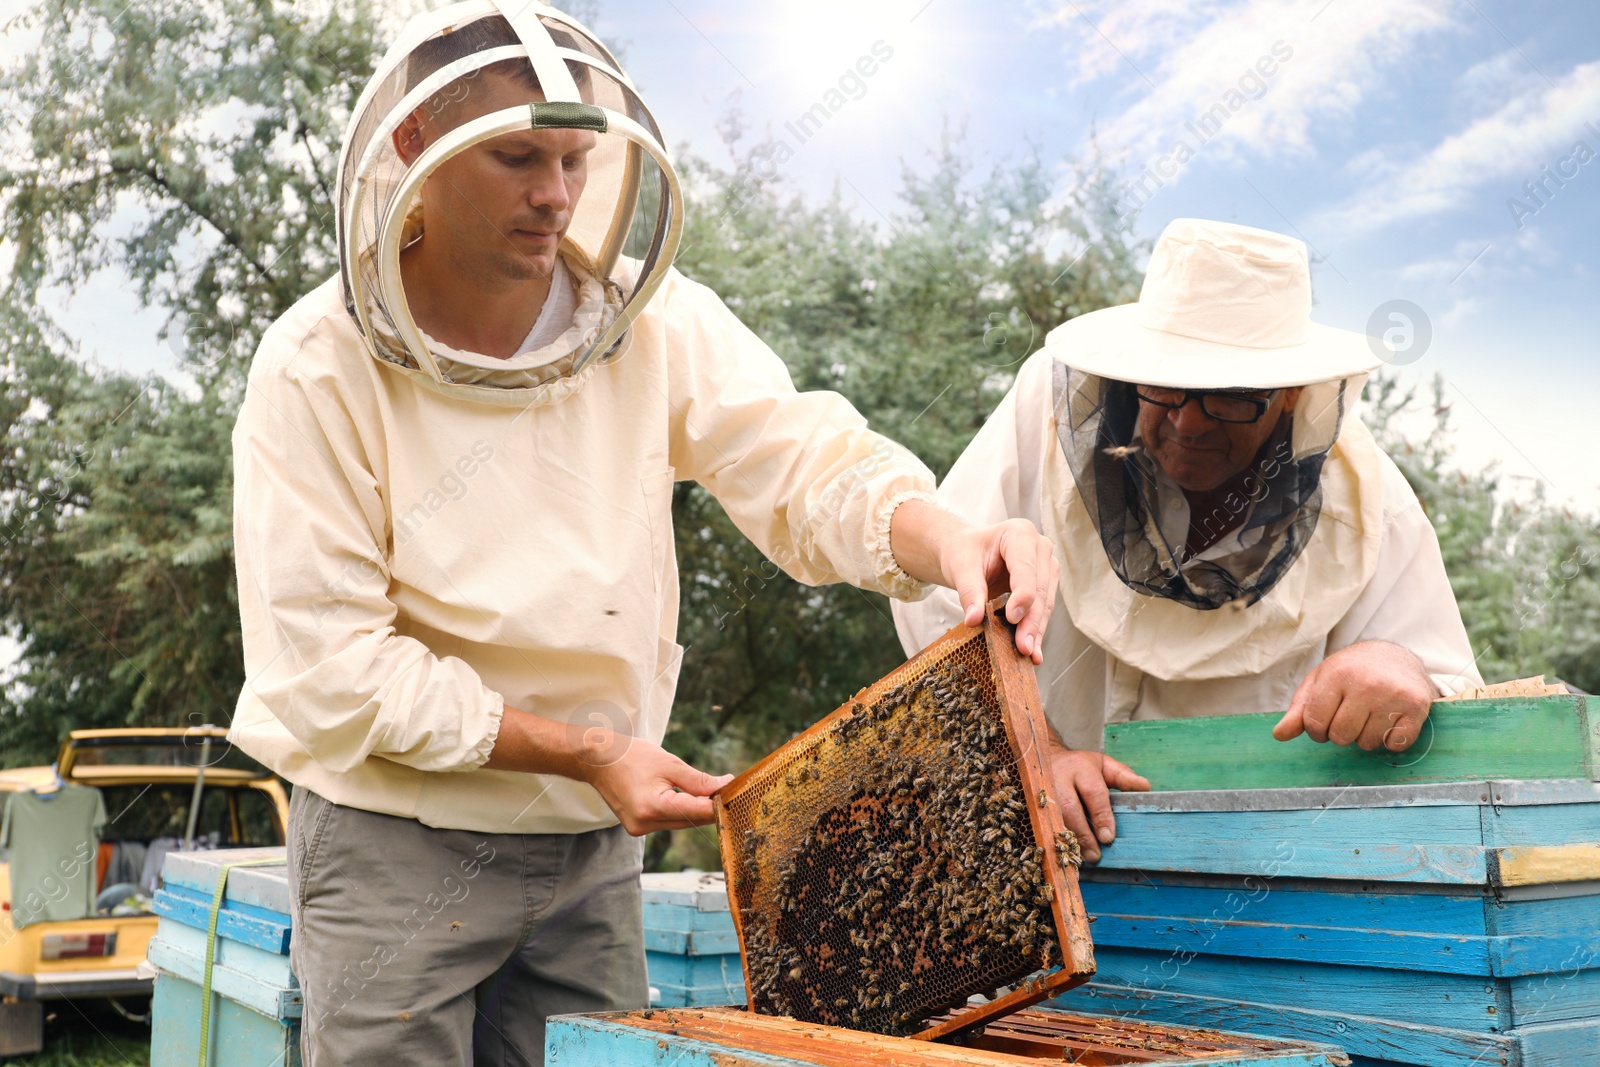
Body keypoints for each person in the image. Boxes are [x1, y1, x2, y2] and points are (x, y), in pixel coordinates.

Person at [227, 5, 1058, 1064]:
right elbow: (334, 667)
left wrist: (950, 540)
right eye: (517, 157)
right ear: (413, 147)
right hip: (397, 836)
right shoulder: (315, 367)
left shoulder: (647, 322)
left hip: (588, 838)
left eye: (576, 158)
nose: (556, 195)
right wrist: (587, 748)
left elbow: (802, 460)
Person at [893, 218, 1483, 863]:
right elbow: (938, 585)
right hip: (1019, 839)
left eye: (1230, 398)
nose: (1187, 421)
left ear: (1290, 396)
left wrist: (1399, 666)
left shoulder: (1370, 504)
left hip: (1240, 883)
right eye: (1164, 384)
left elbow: (1448, 686)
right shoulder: (1045, 414)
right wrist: (1036, 748)